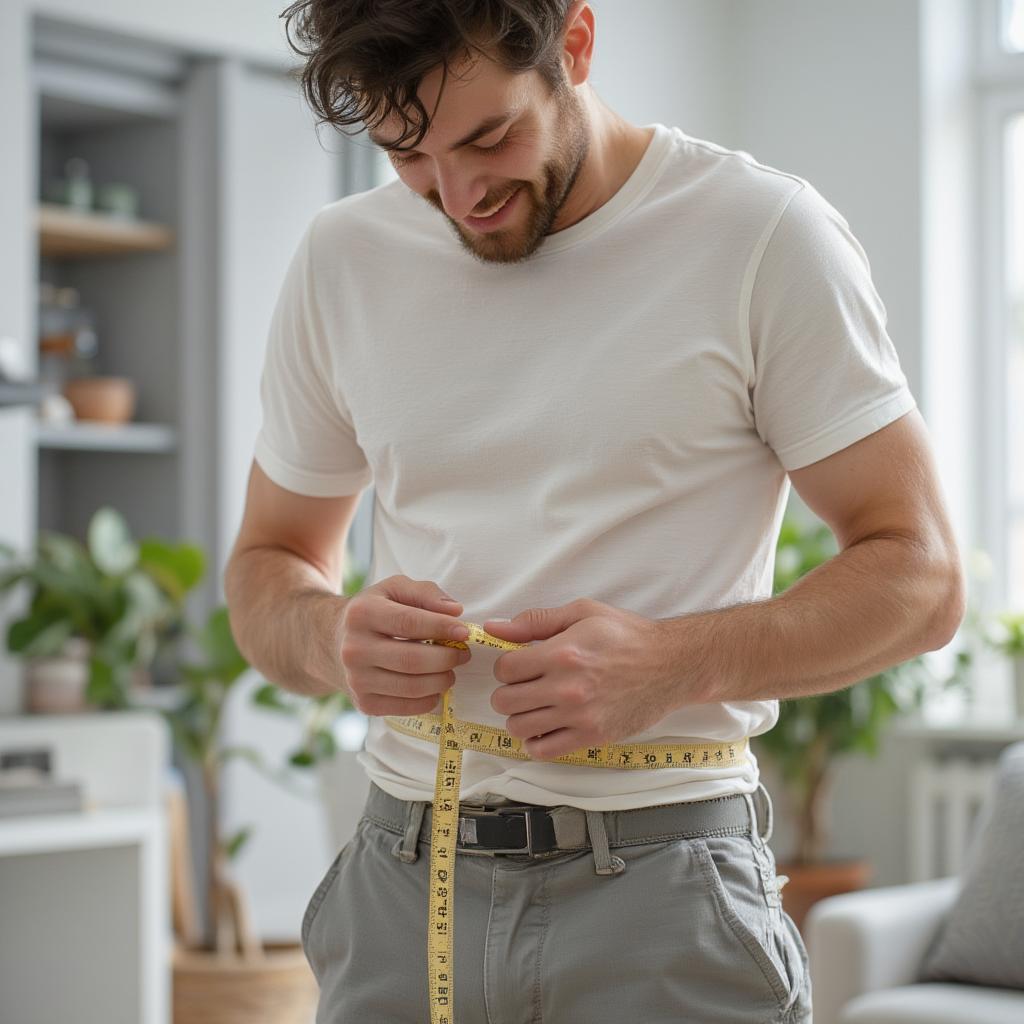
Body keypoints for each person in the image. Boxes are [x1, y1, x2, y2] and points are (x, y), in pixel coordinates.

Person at [223, 1, 966, 1020]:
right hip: (402, 877)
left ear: (574, 44)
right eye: (408, 155)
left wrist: (674, 662)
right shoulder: (339, 260)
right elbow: (268, 563)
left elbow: (920, 577)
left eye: (489, 136)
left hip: (664, 887)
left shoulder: (759, 235)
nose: (460, 193)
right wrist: (327, 635)